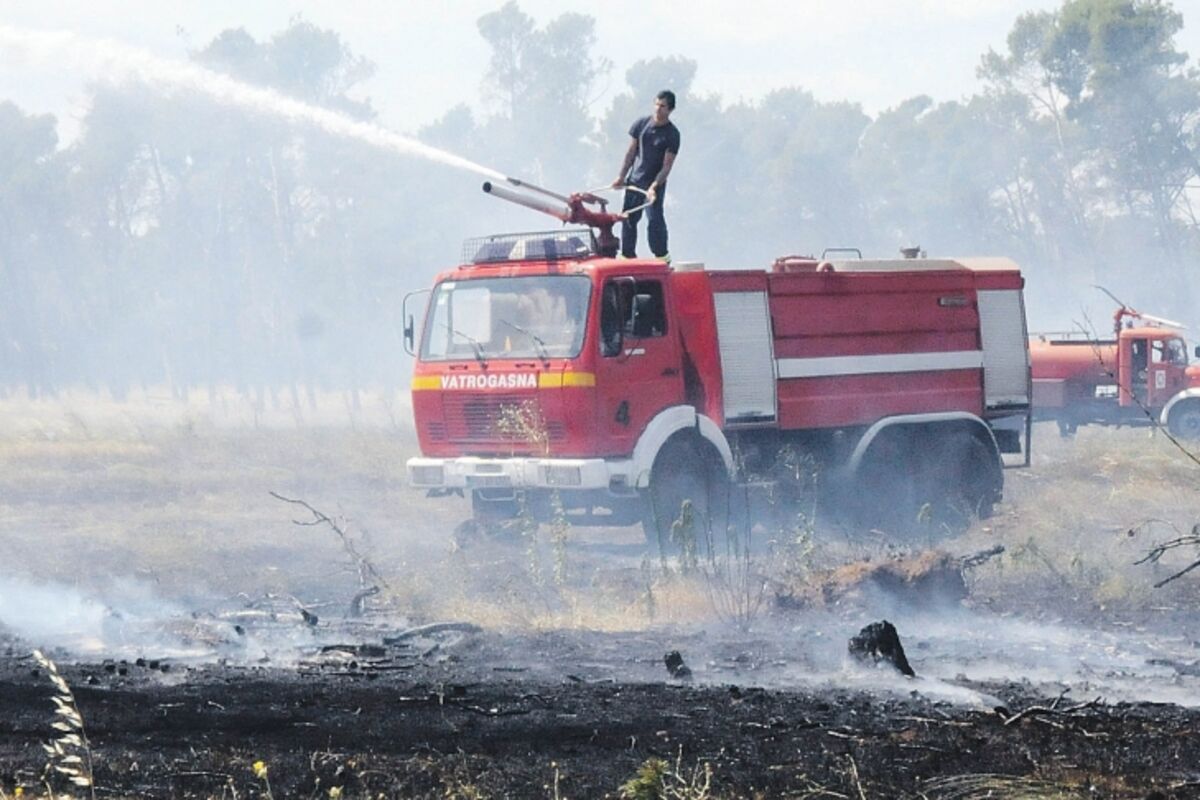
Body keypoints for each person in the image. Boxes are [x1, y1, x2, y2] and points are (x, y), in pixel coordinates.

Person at [612, 90, 680, 261]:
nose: (658, 109)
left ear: (670, 109)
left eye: (662, 106)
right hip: (635, 181)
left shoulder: (672, 134)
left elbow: (667, 167)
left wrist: (653, 187)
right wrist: (621, 177)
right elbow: (630, 153)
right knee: (628, 218)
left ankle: (662, 256)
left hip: (654, 184)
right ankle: (627, 257)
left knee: (654, 219)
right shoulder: (641, 124)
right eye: (656, 104)